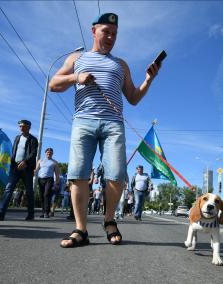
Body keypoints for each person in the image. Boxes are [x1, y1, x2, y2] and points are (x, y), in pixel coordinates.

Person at [49, 12, 161, 248]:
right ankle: (80, 230)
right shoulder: (77, 58)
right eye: (106, 32)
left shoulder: (120, 64)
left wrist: (148, 80)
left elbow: (133, 97)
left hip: (113, 124)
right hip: (83, 121)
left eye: (114, 34)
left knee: (117, 174)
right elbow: (53, 84)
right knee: (78, 174)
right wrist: (76, 77)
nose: (110, 37)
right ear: (94, 31)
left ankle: (110, 220)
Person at [0, 120, 38, 221]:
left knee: (29, 191)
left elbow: (33, 153)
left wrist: (25, 161)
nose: (21, 128)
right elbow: (14, 151)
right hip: (15, 168)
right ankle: (1, 213)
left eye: (23, 126)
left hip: (27, 169)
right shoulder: (17, 138)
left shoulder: (33, 139)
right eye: (20, 126)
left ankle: (31, 214)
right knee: (8, 189)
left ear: (29, 127)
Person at [34, 148, 60, 218]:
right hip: (41, 179)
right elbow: (36, 170)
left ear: (52, 154)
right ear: (45, 153)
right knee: (42, 196)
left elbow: (57, 174)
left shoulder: (54, 162)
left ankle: (46, 212)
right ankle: (43, 212)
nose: (49, 153)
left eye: (50, 152)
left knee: (46, 194)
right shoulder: (40, 161)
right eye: (48, 152)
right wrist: (33, 172)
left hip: (49, 179)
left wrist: (57, 183)